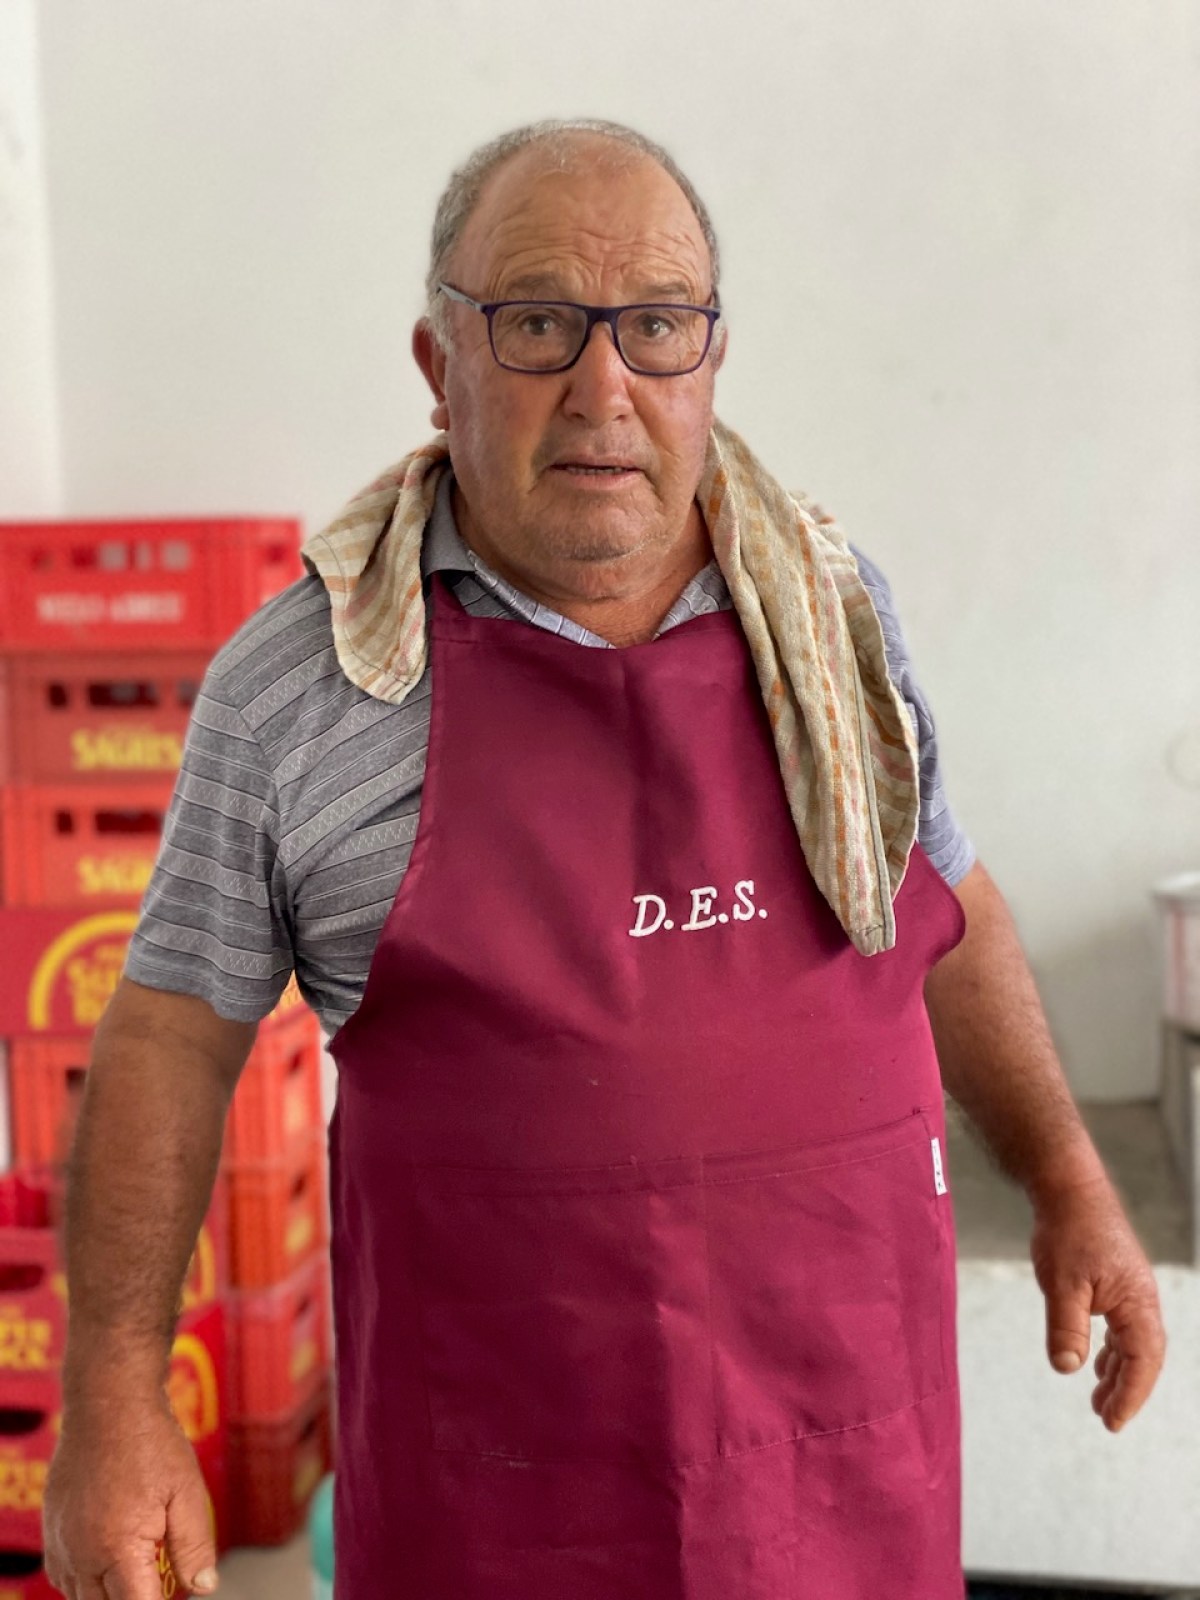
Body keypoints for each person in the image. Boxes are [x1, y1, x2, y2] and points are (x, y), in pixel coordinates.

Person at [44, 118, 1165, 1600]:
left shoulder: (834, 621)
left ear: (710, 362)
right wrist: (115, 1396)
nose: (603, 386)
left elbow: (944, 913)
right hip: (499, 1505)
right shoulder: (306, 688)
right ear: (441, 369)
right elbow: (172, 1039)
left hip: (841, 1472)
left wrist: (1075, 1185)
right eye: (535, 324)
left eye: (655, 327)